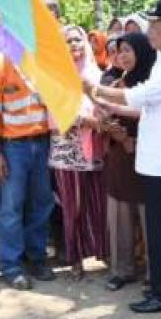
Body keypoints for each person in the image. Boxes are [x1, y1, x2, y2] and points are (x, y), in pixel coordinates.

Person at [88, 0, 161, 314]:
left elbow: (142, 95)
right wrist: (109, 105)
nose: (149, 32)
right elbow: (145, 106)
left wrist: (97, 91)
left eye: (155, 27)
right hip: (157, 157)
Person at [0, 53, 57, 290]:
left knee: (42, 203)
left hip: (43, 142)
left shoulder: (42, 63)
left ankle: (36, 258)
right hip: (13, 147)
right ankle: (11, 266)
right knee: (11, 208)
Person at [96, 32, 156, 292]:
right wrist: (109, 128)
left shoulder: (152, 83)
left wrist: (133, 138)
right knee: (119, 214)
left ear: (142, 51)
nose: (123, 56)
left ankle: (156, 272)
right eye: (120, 51)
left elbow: (157, 117)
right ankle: (122, 269)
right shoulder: (117, 83)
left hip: (147, 157)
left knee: (150, 217)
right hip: (119, 159)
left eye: (129, 50)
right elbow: (103, 116)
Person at [50, 25, 107, 281]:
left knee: (95, 202)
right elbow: (54, 115)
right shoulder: (55, 76)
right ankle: (75, 260)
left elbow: (105, 105)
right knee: (72, 205)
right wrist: (87, 121)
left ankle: (99, 253)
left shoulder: (96, 74)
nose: (74, 45)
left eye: (78, 40)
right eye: (68, 41)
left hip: (94, 147)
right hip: (67, 148)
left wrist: (100, 120)